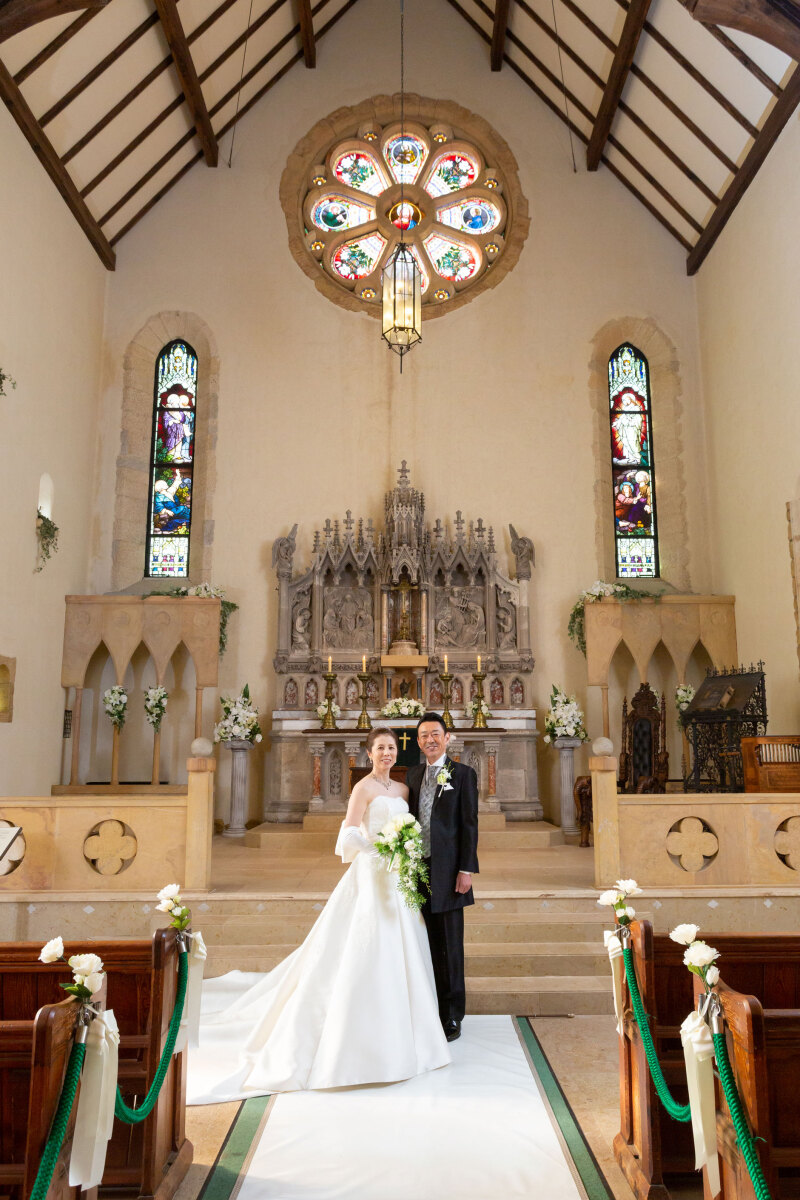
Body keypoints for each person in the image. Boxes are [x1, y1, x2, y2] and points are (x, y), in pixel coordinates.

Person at [187, 726, 450, 1102]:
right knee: (367, 945)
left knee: (404, 945)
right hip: (373, 874)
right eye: (380, 748)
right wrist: (382, 846)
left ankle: (408, 1032)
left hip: (399, 879)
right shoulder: (363, 789)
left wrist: (404, 849)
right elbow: (347, 836)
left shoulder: (405, 790)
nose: (387, 753)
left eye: (392, 747)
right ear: (369, 752)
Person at [406, 712, 479, 1042]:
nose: (429, 740)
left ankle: (452, 1015)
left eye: (435, 734)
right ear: (418, 741)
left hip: (449, 871)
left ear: (447, 738)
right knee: (425, 942)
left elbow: (469, 824)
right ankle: (428, 1008)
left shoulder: (463, 774)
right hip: (418, 871)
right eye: (423, 735)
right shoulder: (412, 774)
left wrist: (466, 869)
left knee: (450, 945)